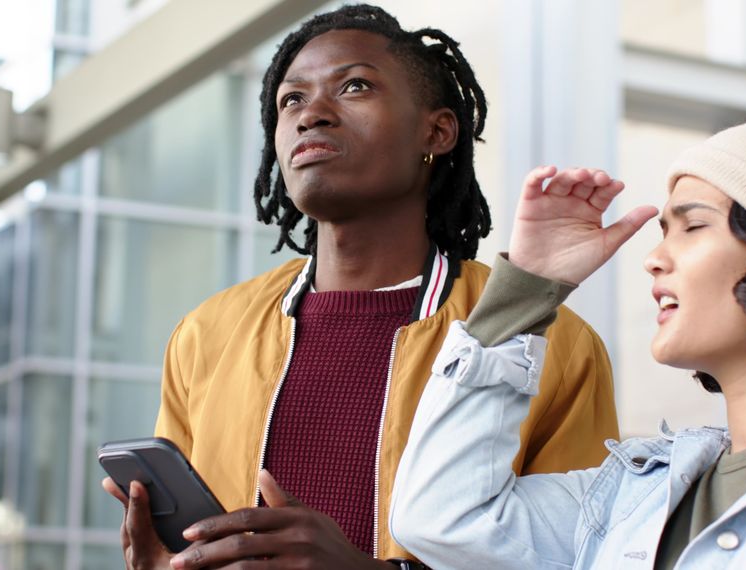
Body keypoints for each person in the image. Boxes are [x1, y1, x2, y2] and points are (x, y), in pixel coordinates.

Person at [102, 4, 620, 569]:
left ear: (438, 131)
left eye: (353, 86)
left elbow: (584, 554)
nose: (311, 115)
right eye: (291, 99)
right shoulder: (207, 333)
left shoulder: (544, 342)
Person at [391, 113, 746, 569]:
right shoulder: (626, 497)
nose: (654, 259)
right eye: (665, 230)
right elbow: (439, 518)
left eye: (693, 226)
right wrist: (527, 288)